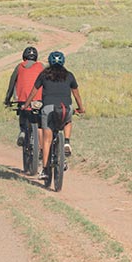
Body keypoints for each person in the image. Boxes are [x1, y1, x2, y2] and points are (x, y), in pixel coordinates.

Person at [23, 51, 85, 179]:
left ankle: (45, 170)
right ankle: (66, 141)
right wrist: (81, 108)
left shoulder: (44, 75)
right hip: (65, 108)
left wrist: (26, 105)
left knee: (47, 140)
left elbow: (33, 92)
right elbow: (76, 94)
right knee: (68, 119)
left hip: (48, 109)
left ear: (50, 62)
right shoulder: (69, 75)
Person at [4, 46, 45, 146]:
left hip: (22, 99)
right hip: (39, 99)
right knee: (40, 122)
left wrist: (7, 99)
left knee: (22, 111)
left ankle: (22, 131)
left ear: (24, 57)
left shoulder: (20, 66)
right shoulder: (41, 66)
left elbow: (12, 83)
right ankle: (41, 147)